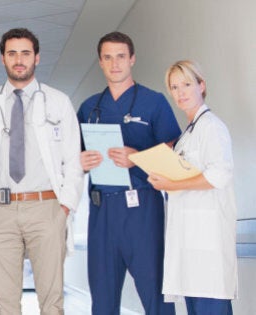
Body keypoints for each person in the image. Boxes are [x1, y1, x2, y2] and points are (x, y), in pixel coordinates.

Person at [0, 28, 84, 314]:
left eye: (25, 53)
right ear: (3, 58)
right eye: (12, 53)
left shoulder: (59, 102)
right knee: (4, 303)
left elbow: (73, 160)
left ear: (37, 57)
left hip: (46, 209)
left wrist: (65, 206)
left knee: (52, 300)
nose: (19, 60)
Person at [76, 31, 180, 315]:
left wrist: (138, 157)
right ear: (100, 62)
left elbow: (174, 152)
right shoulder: (89, 108)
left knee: (156, 296)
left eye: (121, 56)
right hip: (101, 213)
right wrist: (80, 162)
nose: (115, 64)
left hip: (142, 210)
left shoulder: (154, 102)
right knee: (103, 300)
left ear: (132, 59)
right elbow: (72, 158)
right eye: (108, 58)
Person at [147, 60, 237, 315]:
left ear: (201, 85)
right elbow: (183, 179)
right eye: (174, 87)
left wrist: (172, 183)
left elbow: (218, 175)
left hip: (207, 245)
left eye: (186, 84)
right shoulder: (187, 135)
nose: (180, 92)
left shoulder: (212, 127)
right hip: (189, 245)